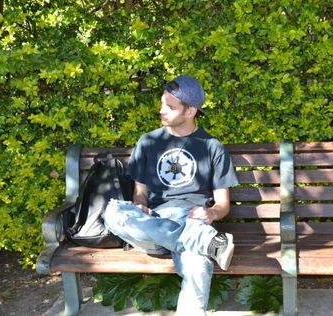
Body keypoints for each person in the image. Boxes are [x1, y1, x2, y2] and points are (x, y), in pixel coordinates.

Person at [102, 74, 238, 315]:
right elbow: (140, 193)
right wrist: (141, 205)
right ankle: (205, 242)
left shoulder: (211, 147)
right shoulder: (148, 142)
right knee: (114, 213)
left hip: (191, 218)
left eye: (170, 107)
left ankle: (200, 242)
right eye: (162, 103)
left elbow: (223, 205)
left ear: (190, 111)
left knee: (197, 265)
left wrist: (211, 212)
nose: (162, 111)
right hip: (153, 224)